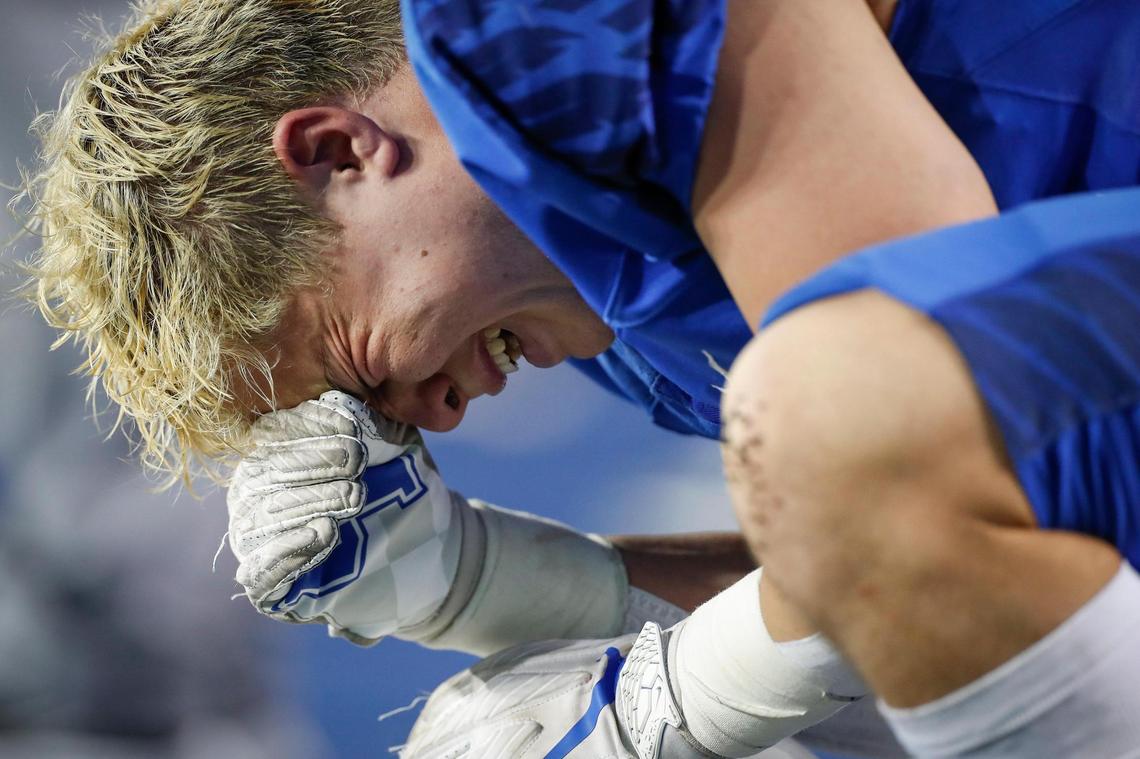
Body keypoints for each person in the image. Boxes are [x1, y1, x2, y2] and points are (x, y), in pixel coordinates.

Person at [22, 0, 1140, 756]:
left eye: (360, 369)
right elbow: (944, 562)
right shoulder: (639, 349)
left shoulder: (512, 24)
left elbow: (928, 411)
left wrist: (658, 705)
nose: (433, 419)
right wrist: (501, 585)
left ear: (338, 152)